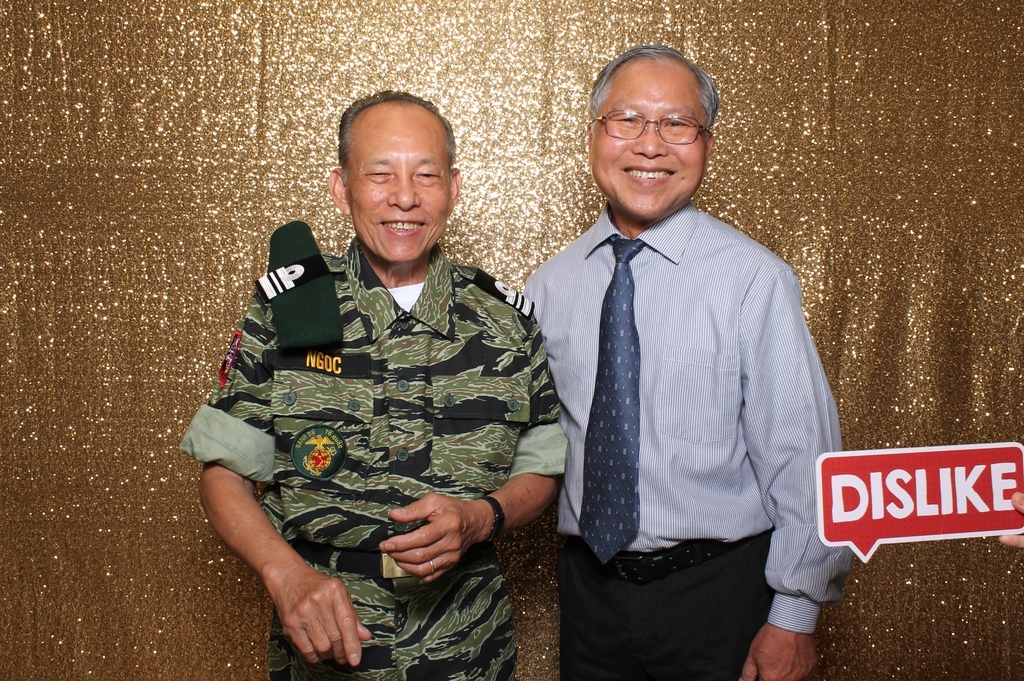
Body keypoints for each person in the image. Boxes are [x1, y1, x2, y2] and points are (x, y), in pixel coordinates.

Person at [180, 91, 565, 680]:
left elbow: (542, 469)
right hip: (324, 655)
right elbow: (224, 473)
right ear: (342, 189)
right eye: (380, 174)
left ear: (454, 189)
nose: (404, 197)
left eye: (426, 176)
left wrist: (482, 517)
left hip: (468, 650)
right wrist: (284, 575)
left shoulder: (506, 321)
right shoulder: (289, 310)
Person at [524, 45, 852, 681]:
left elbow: (803, 456)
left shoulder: (755, 280)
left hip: (721, 595)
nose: (650, 145)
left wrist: (795, 613)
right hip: (590, 596)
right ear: (594, 135)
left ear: (706, 145)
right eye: (628, 120)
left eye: (677, 124)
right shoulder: (550, 286)